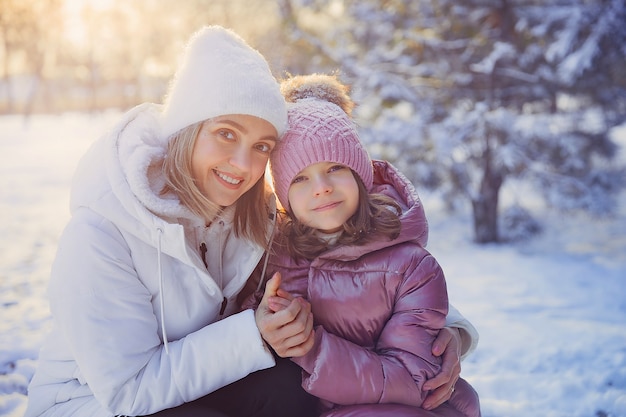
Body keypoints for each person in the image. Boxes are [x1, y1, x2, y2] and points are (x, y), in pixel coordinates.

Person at [24, 26, 318, 417]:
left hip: (185, 390)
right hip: (88, 403)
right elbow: (129, 391)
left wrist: (417, 339)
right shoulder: (101, 233)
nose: (245, 165)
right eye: (226, 133)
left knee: (289, 386)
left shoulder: (249, 218)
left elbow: (341, 271)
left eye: (261, 146)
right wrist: (253, 335)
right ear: (186, 130)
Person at [243, 74, 481, 417]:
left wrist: (311, 349)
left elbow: (416, 381)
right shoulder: (272, 262)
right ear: (284, 197)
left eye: (335, 167)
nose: (321, 187)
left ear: (360, 175)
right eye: (300, 178)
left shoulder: (412, 267)